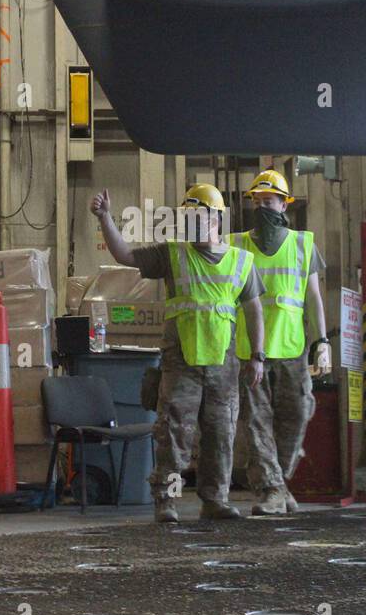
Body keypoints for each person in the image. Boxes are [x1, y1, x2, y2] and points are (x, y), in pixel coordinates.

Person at [91, 183, 266, 522]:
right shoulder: (173, 255)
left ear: (217, 218)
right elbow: (124, 256)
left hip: (223, 366)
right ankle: (167, 502)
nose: (192, 222)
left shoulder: (242, 262)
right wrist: (105, 218)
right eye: (188, 216)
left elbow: (254, 309)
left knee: (220, 436)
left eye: (198, 215)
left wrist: (257, 356)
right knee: (173, 436)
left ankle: (215, 500)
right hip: (181, 363)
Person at [228, 169, 330, 515]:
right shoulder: (236, 244)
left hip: (291, 349)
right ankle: (271, 490)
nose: (261, 207)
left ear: (284, 205)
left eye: (268, 201)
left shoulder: (303, 244)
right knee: (257, 422)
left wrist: (322, 340)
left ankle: (279, 481)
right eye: (256, 201)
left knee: (297, 414)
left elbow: (314, 296)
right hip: (249, 352)